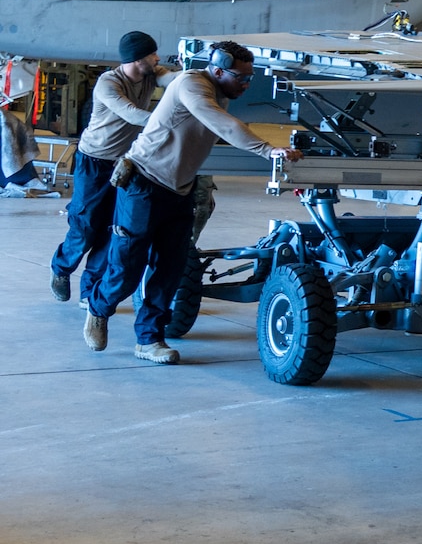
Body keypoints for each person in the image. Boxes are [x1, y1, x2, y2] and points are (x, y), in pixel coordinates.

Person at [83, 41, 303, 364]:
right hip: (143, 183)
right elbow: (221, 125)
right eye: (241, 78)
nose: (246, 84)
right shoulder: (192, 84)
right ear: (217, 71)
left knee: (170, 270)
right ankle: (98, 308)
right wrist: (268, 150)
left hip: (178, 190)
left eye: (249, 78)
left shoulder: (221, 92)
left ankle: (148, 340)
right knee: (127, 269)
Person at [49, 31, 176, 303]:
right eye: (152, 54)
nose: (157, 58)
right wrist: (165, 121)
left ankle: (89, 293)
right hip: (94, 161)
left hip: (126, 163)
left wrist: (199, 80)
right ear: (137, 59)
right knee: (85, 227)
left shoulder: (151, 73)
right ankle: (61, 268)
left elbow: (174, 80)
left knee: (111, 231)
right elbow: (129, 112)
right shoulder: (108, 83)